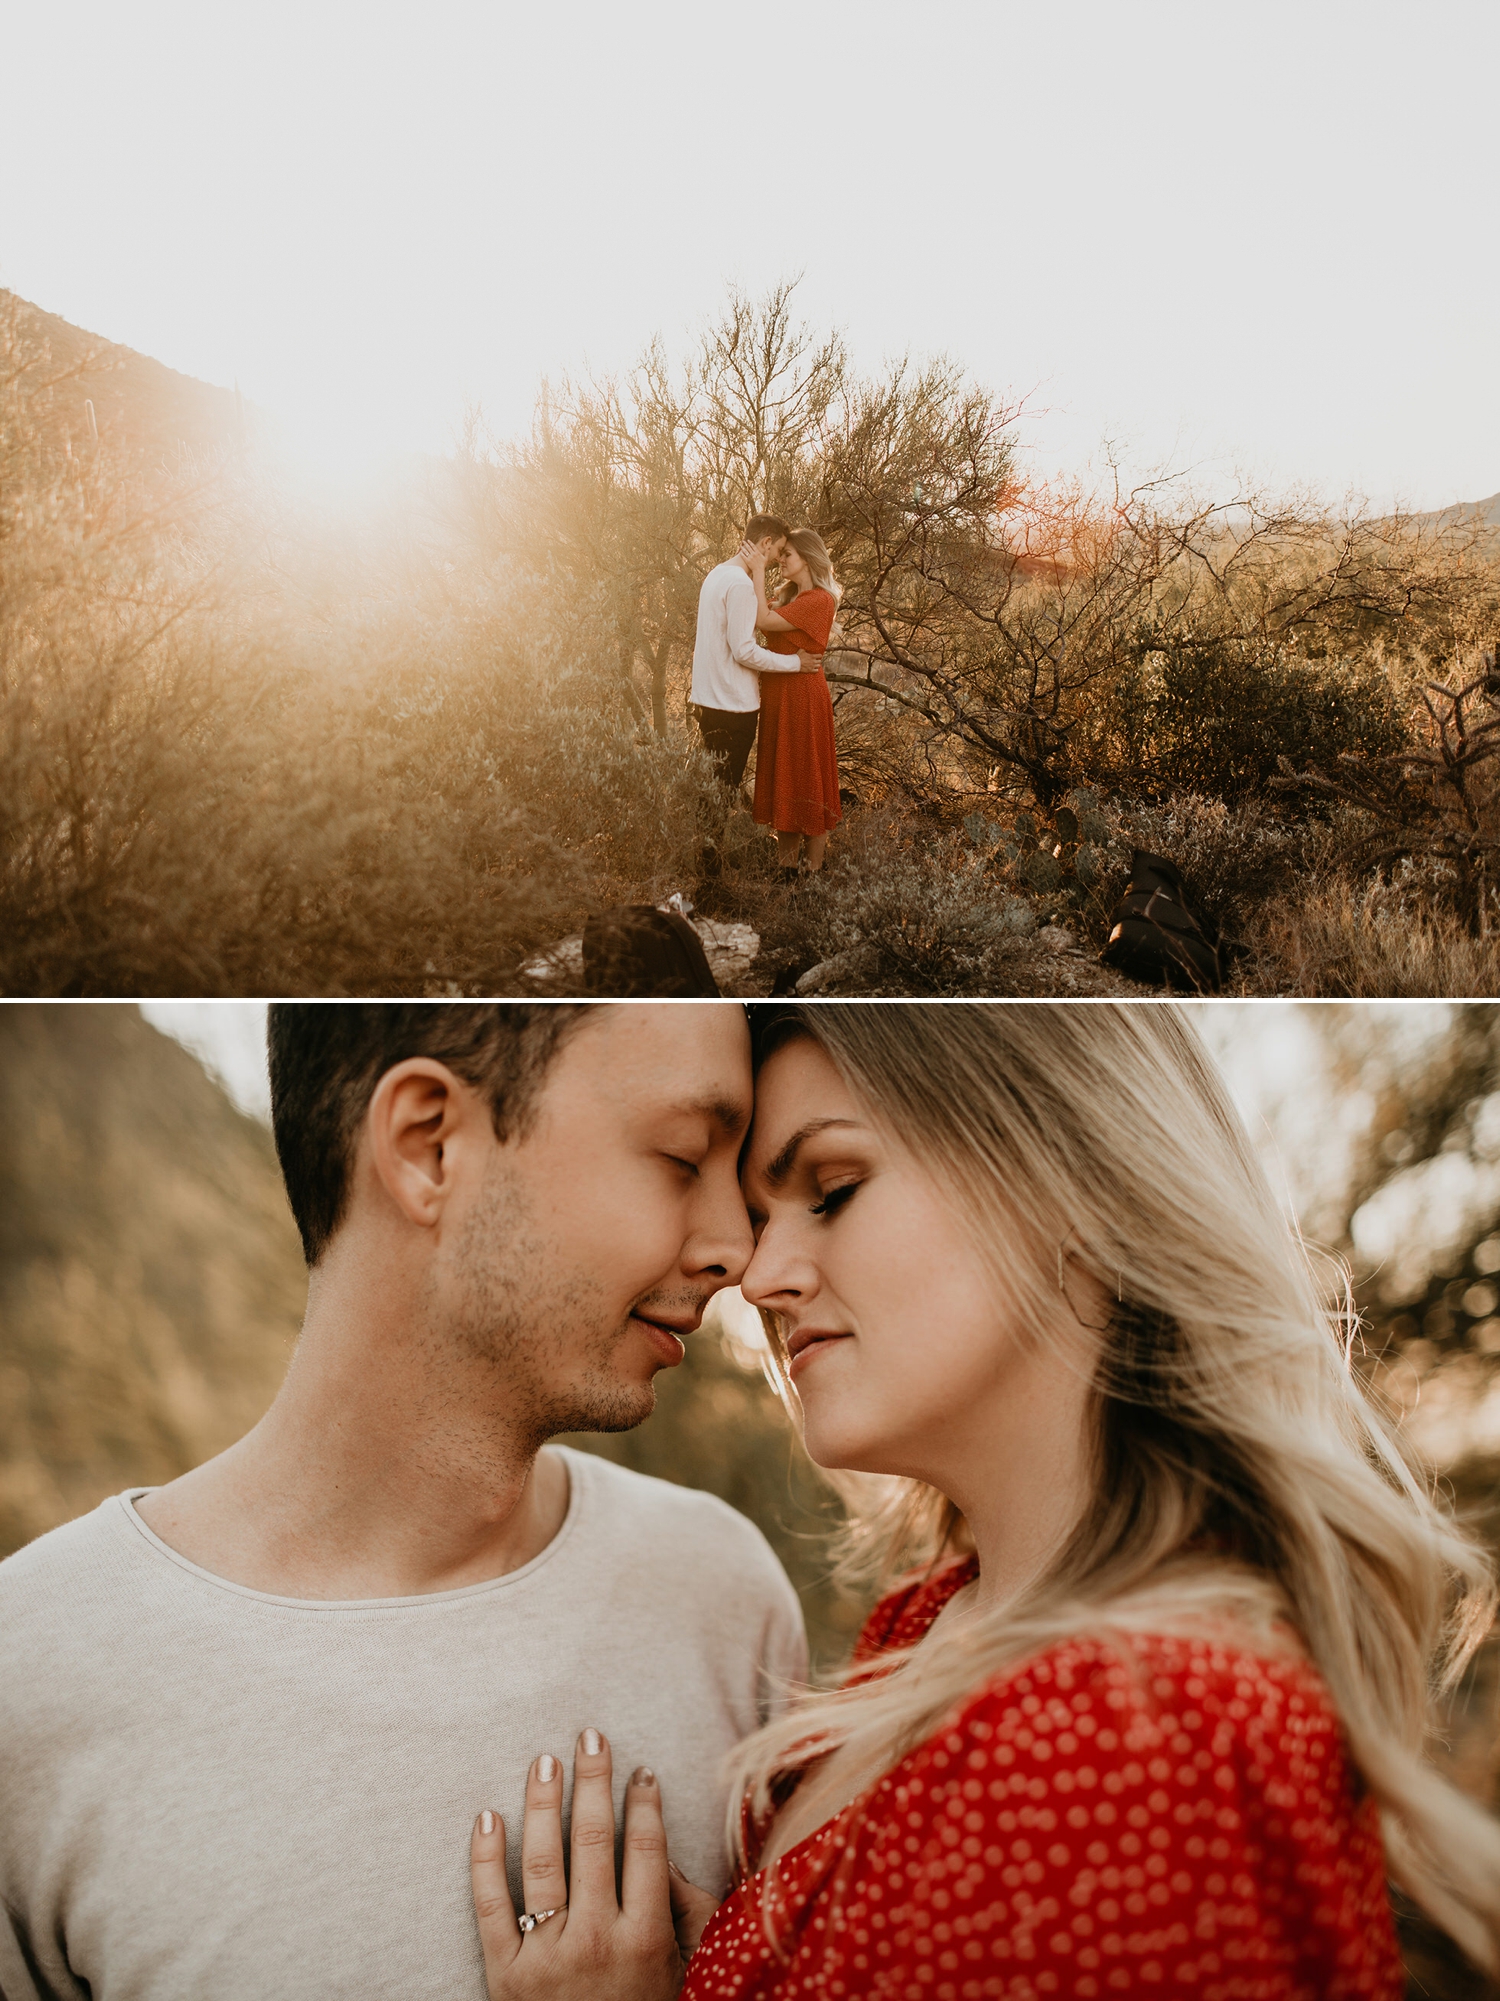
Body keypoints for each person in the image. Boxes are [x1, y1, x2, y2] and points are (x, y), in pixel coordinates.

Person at [468, 1001, 1500, 2000]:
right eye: (760, 1215)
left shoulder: (1134, 1744)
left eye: (831, 1189)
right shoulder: (935, 1623)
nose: (761, 1275)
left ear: (1073, 1186)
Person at [0, 1002, 806, 2001]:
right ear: (428, 1146)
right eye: (685, 1159)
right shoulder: (29, 1676)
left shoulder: (725, 1599)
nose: (739, 1250)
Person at [689, 515, 822, 798]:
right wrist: (795, 663)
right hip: (732, 708)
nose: (777, 559)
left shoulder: (717, 574)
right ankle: (710, 843)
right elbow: (744, 651)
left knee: (710, 794)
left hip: (707, 702)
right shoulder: (740, 585)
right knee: (720, 796)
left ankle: (705, 841)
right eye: (777, 551)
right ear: (766, 543)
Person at [742, 528, 842, 879]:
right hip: (780, 697)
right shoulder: (791, 597)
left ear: (809, 559)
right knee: (786, 775)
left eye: (789, 555)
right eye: (781, 555)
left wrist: (756, 570)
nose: (781, 560)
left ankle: (812, 873)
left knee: (808, 777)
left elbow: (763, 620)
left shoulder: (818, 600)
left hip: (802, 697)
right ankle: (786, 873)